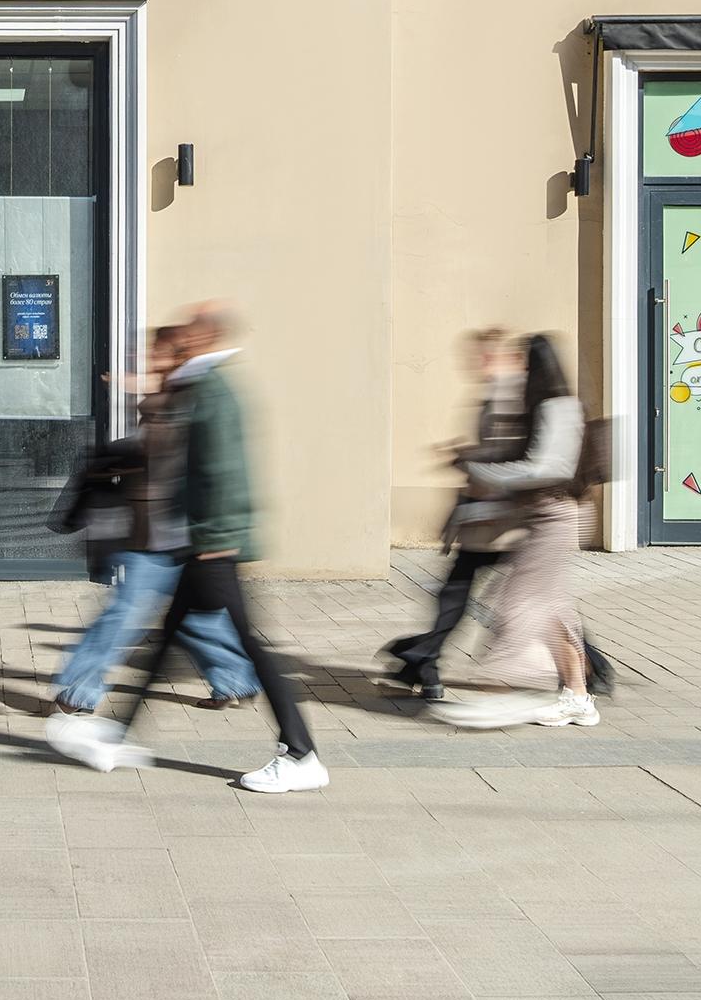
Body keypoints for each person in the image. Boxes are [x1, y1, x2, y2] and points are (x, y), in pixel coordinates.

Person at [47, 304, 328, 793]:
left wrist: (216, 539)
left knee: (251, 646)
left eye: (177, 342)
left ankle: (301, 754)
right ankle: (117, 738)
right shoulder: (198, 384)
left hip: (209, 545)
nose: (167, 351)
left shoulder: (212, 391)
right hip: (196, 543)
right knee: (171, 637)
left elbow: (225, 472)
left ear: (196, 342)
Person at [50, 326, 261, 716]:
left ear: (179, 357)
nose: (149, 358)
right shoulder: (171, 395)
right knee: (192, 619)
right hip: (158, 532)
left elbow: (178, 454)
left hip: (169, 534)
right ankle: (236, 680)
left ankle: (78, 691)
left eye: (159, 353)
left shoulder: (187, 398)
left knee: (127, 614)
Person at [433, 333, 600, 729]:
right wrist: (475, 506)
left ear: (538, 367)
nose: (519, 372)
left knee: (518, 603)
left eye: (524, 363)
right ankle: (578, 699)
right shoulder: (546, 407)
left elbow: (546, 469)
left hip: (554, 520)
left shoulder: (558, 408)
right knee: (552, 609)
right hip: (544, 516)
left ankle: (503, 694)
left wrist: (480, 471)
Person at [381, 328, 527, 701]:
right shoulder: (498, 392)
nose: (477, 363)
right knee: (459, 594)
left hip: (499, 520)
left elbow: (508, 456)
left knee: (472, 595)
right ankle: (421, 661)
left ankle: (421, 660)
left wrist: (465, 460)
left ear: (500, 356)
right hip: (492, 519)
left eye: (484, 355)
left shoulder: (508, 395)